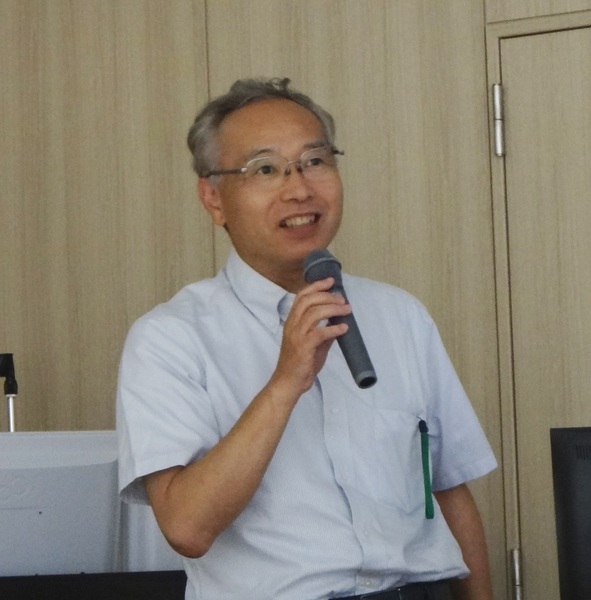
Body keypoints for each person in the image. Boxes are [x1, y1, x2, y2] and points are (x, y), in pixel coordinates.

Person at [116, 77, 497, 600]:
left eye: (315, 161)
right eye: (265, 169)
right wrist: (285, 383)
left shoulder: (400, 315)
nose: (299, 189)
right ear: (213, 198)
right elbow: (187, 528)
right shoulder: (169, 339)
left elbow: (449, 491)